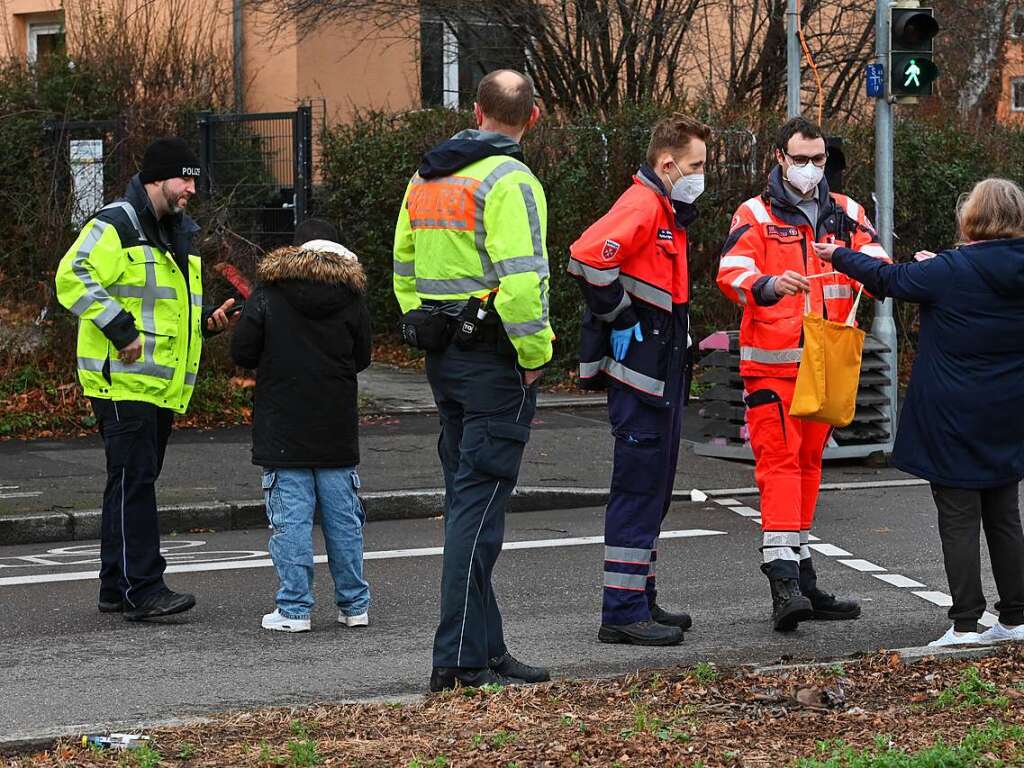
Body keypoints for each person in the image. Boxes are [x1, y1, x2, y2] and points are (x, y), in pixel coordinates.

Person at [392, 69, 554, 692]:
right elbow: (520, 279)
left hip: (445, 355)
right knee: (478, 512)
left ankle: (486, 648)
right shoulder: (511, 179)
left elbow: (403, 262)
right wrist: (534, 352)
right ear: (531, 118)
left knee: (470, 501)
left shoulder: (428, 174)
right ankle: (458, 660)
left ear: (477, 110)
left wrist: (419, 321)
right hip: (494, 362)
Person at [814, 178, 1024, 648]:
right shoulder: (971, 268)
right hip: (1009, 412)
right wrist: (942, 268)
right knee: (1005, 516)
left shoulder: (949, 270)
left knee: (958, 518)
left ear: (973, 219)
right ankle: (1014, 616)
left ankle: (966, 624)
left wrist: (839, 255)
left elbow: (889, 280)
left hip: (952, 415)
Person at [716, 116, 889, 632]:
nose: (811, 168)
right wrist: (769, 283)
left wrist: (861, 262)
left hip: (825, 361)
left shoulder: (847, 212)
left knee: (809, 464)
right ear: (779, 158)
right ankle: (784, 580)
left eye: (818, 160)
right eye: (801, 159)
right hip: (772, 365)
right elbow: (732, 273)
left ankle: (803, 576)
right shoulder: (754, 213)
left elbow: (877, 261)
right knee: (781, 465)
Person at [55, 137, 235, 621]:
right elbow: (72, 276)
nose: (192, 189)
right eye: (185, 178)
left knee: (129, 480)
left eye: (195, 179)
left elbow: (163, 310)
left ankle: (115, 585)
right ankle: (144, 588)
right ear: (157, 178)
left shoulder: (172, 232)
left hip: (154, 384)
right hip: (121, 381)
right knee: (135, 481)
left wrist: (205, 325)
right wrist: (118, 327)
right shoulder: (117, 224)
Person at [567, 114, 708, 647]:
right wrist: (620, 317)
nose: (699, 176)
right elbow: (587, 256)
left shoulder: (662, 207)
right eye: (694, 166)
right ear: (667, 163)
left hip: (659, 374)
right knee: (637, 491)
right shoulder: (644, 204)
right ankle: (622, 611)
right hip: (641, 376)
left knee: (653, 492)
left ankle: (640, 598)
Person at [231, 219, 372, 633]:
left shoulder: (269, 293)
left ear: (295, 251)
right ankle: (354, 605)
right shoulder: (351, 297)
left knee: (291, 521)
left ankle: (294, 609)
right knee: (343, 520)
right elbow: (362, 356)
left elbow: (243, 350)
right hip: (335, 424)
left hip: (283, 425)